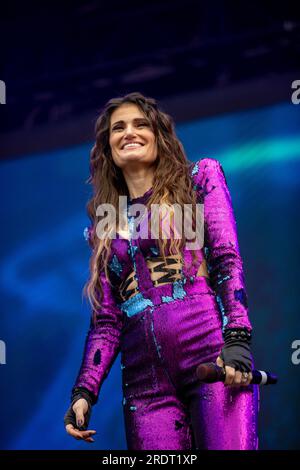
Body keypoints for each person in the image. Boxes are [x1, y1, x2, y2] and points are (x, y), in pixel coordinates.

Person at [64, 91, 259, 450]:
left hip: (210, 353)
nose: (129, 132)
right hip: (144, 383)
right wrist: (84, 392)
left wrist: (237, 340)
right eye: (118, 128)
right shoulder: (103, 227)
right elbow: (107, 320)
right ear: (108, 147)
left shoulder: (199, 179)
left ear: (159, 135)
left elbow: (226, 261)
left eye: (140, 124)